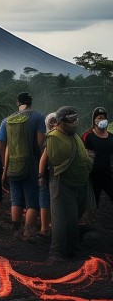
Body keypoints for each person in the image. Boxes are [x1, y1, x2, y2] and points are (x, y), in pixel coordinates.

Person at [40, 107, 94, 261]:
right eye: (71, 120)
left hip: (79, 183)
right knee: (62, 218)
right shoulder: (54, 137)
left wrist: (87, 160)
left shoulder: (73, 135)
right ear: (61, 122)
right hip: (62, 183)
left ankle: (72, 247)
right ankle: (57, 252)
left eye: (75, 119)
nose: (74, 122)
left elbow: (80, 154)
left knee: (74, 217)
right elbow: (58, 160)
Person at [0, 92, 45, 239]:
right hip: (31, 164)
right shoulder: (38, 116)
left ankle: (15, 230)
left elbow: (1, 144)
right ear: (30, 102)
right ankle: (27, 231)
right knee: (32, 202)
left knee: (16, 199)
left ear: (17, 102)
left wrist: (4, 166)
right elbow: (39, 142)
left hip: (12, 164)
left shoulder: (7, 120)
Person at [82, 107, 113, 208]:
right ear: (94, 120)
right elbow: (84, 156)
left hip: (108, 174)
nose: (102, 120)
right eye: (99, 118)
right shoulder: (88, 136)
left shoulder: (111, 136)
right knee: (94, 203)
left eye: (104, 118)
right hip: (93, 177)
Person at [39, 112, 57, 236]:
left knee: (52, 200)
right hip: (47, 173)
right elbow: (43, 159)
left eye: (56, 121)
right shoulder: (48, 138)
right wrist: (40, 175)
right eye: (51, 122)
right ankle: (45, 228)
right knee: (46, 199)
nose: (54, 124)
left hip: (55, 173)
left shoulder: (49, 137)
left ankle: (50, 225)